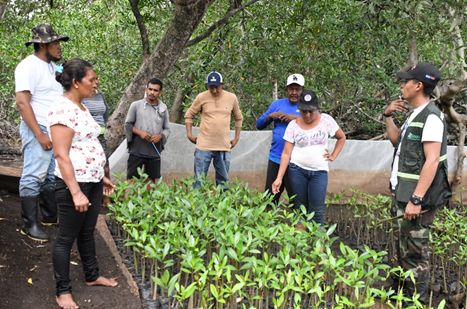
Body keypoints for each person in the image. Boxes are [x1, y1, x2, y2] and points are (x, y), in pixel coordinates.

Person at [48, 58, 118, 309]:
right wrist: (76, 192)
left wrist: (102, 175)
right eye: (92, 79)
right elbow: (61, 154)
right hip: (73, 185)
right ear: (76, 82)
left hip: (93, 180)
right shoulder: (62, 109)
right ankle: (62, 291)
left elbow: (89, 144)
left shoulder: (82, 107)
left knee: (87, 231)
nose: (96, 83)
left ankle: (91, 275)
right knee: (66, 237)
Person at [383, 63, 451, 304]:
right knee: (403, 251)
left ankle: (417, 303)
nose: (402, 85)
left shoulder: (431, 117)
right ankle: (401, 296)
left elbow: (432, 161)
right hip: (403, 195)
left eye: (406, 81)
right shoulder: (415, 114)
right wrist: (388, 115)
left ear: (418, 85)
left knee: (416, 256)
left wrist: (416, 199)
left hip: (415, 201)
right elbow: (395, 141)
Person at [15, 24, 69, 242]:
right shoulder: (28, 66)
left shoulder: (49, 66)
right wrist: (39, 134)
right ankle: (29, 225)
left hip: (52, 128)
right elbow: (22, 102)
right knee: (33, 175)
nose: (59, 47)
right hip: (38, 128)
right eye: (55, 43)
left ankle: (49, 216)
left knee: (49, 176)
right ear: (41, 44)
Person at [272, 90, 346, 227]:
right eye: (303, 111)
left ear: (317, 109)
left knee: (316, 211)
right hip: (296, 171)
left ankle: (319, 247)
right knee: (300, 209)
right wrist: (279, 178)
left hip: (319, 172)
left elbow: (341, 137)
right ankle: (300, 247)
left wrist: (334, 155)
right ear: (299, 109)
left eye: (311, 111)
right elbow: (286, 153)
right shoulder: (293, 125)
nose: (307, 115)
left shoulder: (326, 121)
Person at [185, 71, 243, 190]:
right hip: (203, 146)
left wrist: (237, 138)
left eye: (217, 87)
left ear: (222, 84)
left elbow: (238, 118)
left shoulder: (231, 98)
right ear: (207, 85)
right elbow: (189, 115)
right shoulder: (202, 97)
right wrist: (189, 134)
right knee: (199, 180)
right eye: (211, 87)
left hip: (223, 146)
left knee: (223, 181)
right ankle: (197, 207)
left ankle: (221, 207)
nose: (214, 90)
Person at [256, 74, 304, 205]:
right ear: (286, 90)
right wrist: (270, 116)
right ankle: (268, 223)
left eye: (297, 89)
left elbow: (317, 127)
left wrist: (297, 119)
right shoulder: (277, 104)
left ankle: (297, 225)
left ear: (303, 91)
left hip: (297, 162)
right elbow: (259, 125)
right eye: (291, 89)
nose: (294, 92)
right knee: (270, 199)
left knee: (297, 201)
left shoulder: (308, 108)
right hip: (276, 159)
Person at [124, 78, 170, 183]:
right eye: (150, 89)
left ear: (160, 92)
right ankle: (128, 200)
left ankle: (148, 200)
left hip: (154, 151)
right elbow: (127, 125)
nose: (152, 92)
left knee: (150, 181)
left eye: (155, 90)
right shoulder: (136, 105)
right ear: (146, 90)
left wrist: (160, 136)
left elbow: (167, 129)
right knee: (131, 180)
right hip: (137, 149)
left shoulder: (163, 109)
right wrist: (140, 133)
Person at [82, 88, 111, 206]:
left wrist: (101, 126)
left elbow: (106, 112)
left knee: (106, 168)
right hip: (86, 136)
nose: (95, 82)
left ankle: (106, 199)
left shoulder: (100, 94)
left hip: (100, 135)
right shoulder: (81, 95)